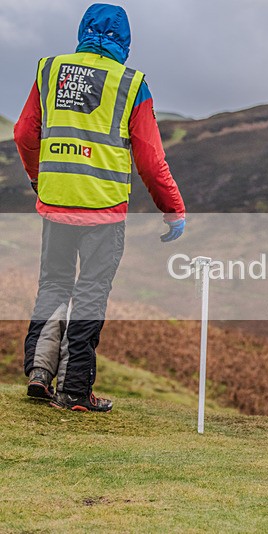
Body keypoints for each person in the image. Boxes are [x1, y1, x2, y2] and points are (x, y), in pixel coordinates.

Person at [14, 3, 186, 412]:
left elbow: (24, 133)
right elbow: (149, 159)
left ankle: (40, 372)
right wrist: (173, 208)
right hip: (104, 208)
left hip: (55, 202)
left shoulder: (49, 69)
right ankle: (75, 391)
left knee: (54, 283)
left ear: (82, 30)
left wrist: (40, 179)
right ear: (125, 41)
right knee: (90, 293)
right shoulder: (131, 82)